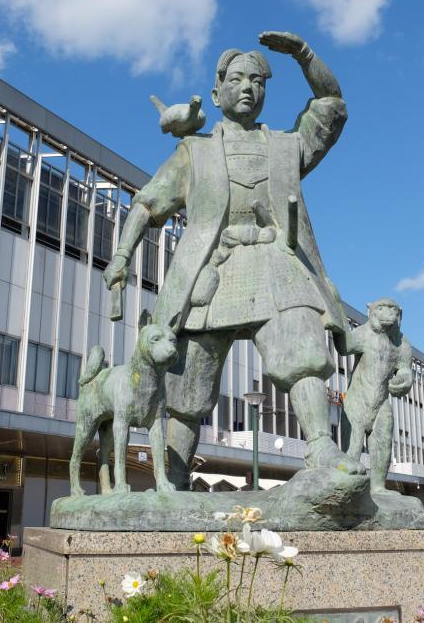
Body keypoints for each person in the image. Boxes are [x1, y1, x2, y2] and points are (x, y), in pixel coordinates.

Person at [103, 31, 355, 489]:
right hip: (212, 272)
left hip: (277, 261)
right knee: (185, 384)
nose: (248, 87)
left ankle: (322, 447)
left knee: (302, 348)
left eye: (257, 80)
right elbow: (146, 204)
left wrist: (305, 54)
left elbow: (332, 103)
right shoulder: (193, 151)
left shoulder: (286, 147)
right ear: (216, 93)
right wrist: (122, 254)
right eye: (237, 79)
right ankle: (172, 474)